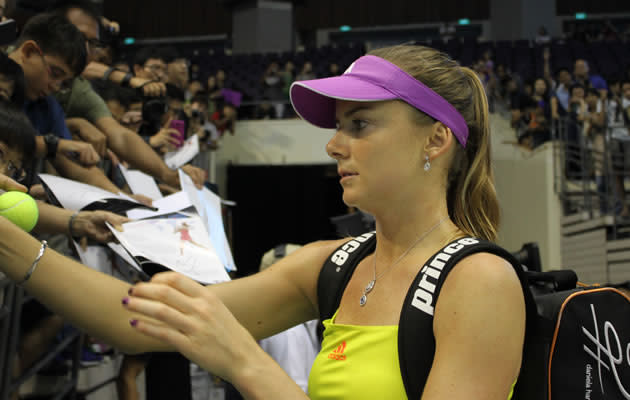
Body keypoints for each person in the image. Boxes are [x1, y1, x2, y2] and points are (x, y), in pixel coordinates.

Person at [0, 44, 528, 399]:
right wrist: (10, 243)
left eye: (360, 124)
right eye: (339, 126)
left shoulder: (479, 282)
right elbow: (130, 322)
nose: (333, 144)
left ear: (435, 139)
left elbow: (234, 356)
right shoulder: (331, 266)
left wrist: (247, 365)